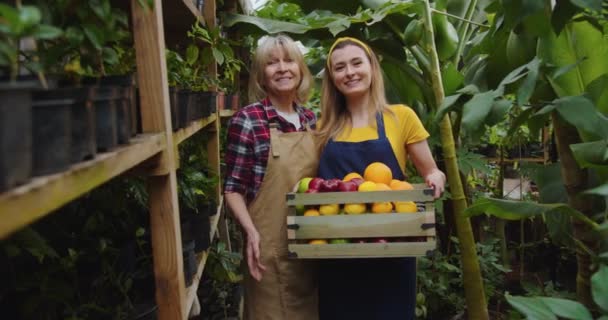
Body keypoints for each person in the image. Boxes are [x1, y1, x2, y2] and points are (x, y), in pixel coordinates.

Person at [315, 37, 446, 319]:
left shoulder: (401, 117)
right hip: (337, 252)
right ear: (332, 78)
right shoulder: (323, 127)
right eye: (339, 67)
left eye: (356, 63)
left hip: (391, 248)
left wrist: (436, 178)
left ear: (372, 68)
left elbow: (431, 170)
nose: (349, 72)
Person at [223, 34, 319, 320]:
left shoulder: (310, 120)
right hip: (269, 252)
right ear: (261, 76)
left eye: (289, 61)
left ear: (300, 69)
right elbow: (233, 188)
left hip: (311, 248)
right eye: (272, 63)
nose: (282, 68)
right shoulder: (248, 120)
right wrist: (251, 232)